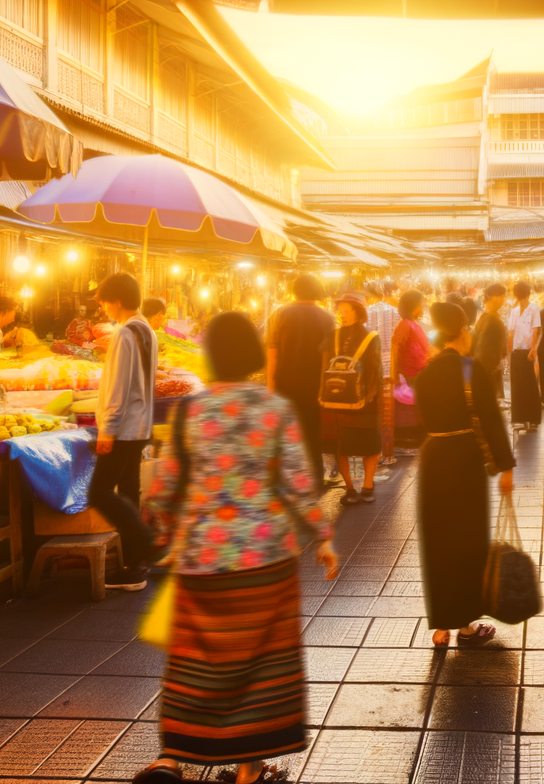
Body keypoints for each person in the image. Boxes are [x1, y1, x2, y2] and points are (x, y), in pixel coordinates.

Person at [138, 311, 337, 784]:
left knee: (194, 661)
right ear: (252, 354)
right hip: (265, 559)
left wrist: (163, 529)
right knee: (262, 666)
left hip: (202, 558)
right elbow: (297, 482)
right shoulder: (273, 409)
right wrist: (323, 537)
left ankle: (171, 757)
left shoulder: (191, 410)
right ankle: (250, 768)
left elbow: (164, 487)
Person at [415, 301, 514, 646]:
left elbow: (421, 422)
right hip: (465, 463)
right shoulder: (471, 370)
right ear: (462, 333)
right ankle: (466, 628)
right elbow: (491, 419)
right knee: (467, 542)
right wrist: (505, 466)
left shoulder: (425, 373)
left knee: (438, 542)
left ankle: (441, 627)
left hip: (433, 460)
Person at [93, 272, 159, 590]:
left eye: (104, 302)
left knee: (99, 492)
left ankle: (146, 542)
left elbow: (118, 387)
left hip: (123, 428)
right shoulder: (147, 329)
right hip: (141, 425)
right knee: (129, 491)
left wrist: (107, 430)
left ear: (116, 301)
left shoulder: (124, 333)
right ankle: (135, 569)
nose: (103, 308)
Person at [266, 273, 336, 489]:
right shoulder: (327, 317)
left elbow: (272, 352)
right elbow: (330, 356)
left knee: (286, 433)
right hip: (315, 386)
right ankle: (314, 478)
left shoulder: (279, 314)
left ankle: (286, 480)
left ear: (294, 290)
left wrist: (270, 387)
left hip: (285, 384)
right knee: (313, 433)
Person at [322, 293, 382, 504]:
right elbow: (377, 372)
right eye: (340, 311)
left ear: (358, 312)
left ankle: (354, 490)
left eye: (346, 310)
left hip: (338, 400)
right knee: (369, 447)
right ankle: (364, 488)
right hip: (364, 403)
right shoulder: (372, 337)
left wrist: (323, 395)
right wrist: (375, 396)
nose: (342, 314)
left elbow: (324, 367)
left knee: (343, 447)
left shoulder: (333, 336)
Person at [391, 289, 432, 454]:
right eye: (421, 304)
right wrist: (394, 374)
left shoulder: (413, 323)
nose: (423, 307)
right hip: (410, 374)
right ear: (413, 306)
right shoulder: (405, 324)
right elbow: (395, 347)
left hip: (419, 373)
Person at [366, 281, 401, 466]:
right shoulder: (395, 312)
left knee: (372, 412)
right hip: (390, 369)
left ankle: (373, 453)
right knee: (387, 414)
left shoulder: (364, 313)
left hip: (370, 368)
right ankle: (388, 454)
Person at [505, 280, 542, 432]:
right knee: (516, 385)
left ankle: (532, 418)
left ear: (526, 295)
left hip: (528, 352)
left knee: (530, 385)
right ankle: (518, 418)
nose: (521, 298)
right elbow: (510, 333)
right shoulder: (514, 311)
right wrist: (509, 352)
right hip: (516, 351)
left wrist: (533, 349)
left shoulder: (533, 308)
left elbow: (535, 330)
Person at [472, 284, 508, 398]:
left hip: (485, 369)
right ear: (493, 297)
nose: (503, 300)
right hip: (488, 370)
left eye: (504, 296)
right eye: (501, 296)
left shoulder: (484, 318)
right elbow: (484, 349)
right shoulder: (492, 320)